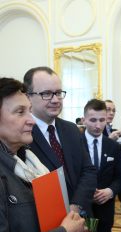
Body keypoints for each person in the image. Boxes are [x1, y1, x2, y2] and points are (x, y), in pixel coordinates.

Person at [0, 77, 92, 232]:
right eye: (20, 112)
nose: (31, 120)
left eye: (29, 111)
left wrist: (72, 229)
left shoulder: (29, 162)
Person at [23, 67, 97, 216]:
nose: (55, 100)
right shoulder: (23, 134)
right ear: (28, 97)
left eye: (58, 93)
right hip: (44, 224)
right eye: (46, 94)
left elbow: (88, 171)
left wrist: (75, 206)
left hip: (80, 215)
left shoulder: (71, 129)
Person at [82, 99, 121, 232]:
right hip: (82, 209)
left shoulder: (113, 146)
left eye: (102, 120)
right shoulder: (75, 143)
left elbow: (120, 177)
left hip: (105, 209)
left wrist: (110, 191)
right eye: (92, 120)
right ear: (84, 119)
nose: (98, 125)